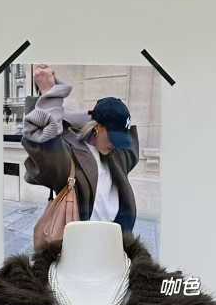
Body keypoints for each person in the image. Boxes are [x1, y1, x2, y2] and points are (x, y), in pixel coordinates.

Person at [21, 65, 139, 232]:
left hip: (116, 237)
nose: (115, 145)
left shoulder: (119, 154)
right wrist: (49, 96)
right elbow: (44, 147)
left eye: (121, 140)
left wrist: (80, 117)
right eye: (113, 137)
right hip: (81, 240)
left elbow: (132, 148)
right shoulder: (71, 154)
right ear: (98, 127)